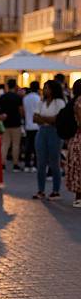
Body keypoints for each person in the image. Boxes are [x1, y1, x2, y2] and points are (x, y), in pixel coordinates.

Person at [32, 80, 65, 200]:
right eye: (44, 88)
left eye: (47, 88)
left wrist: (43, 118)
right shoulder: (41, 102)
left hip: (54, 133)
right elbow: (34, 118)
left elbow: (57, 119)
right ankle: (41, 190)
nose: (45, 90)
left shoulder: (59, 102)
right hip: (42, 132)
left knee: (54, 162)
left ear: (53, 89)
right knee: (41, 162)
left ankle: (56, 191)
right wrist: (48, 119)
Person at [0, 79, 23, 172]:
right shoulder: (18, 97)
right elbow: (21, 110)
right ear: (15, 86)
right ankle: (15, 164)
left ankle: (2, 164)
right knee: (16, 145)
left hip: (5, 123)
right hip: (16, 123)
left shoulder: (3, 97)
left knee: (5, 144)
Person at [65, 79, 81, 207]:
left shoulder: (73, 101)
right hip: (79, 138)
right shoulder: (79, 102)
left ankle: (78, 196)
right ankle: (78, 197)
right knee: (78, 167)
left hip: (76, 137)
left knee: (77, 166)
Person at [23, 81, 40, 172]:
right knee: (36, 146)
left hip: (28, 124)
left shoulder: (26, 98)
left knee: (28, 146)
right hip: (37, 126)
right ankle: (35, 165)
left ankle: (27, 164)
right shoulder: (38, 98)